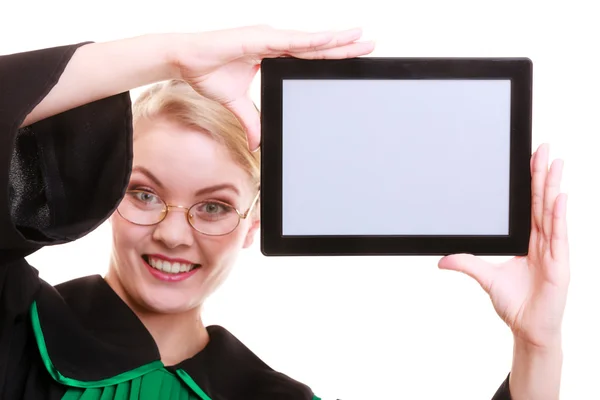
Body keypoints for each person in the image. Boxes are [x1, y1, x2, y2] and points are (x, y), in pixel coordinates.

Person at [0, 25, 569, 400]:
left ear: (253, 221)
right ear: (106, 194)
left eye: (214, 206)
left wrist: (537, 345)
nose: (174, 233)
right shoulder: (21, 331)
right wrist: (170, 56)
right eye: (144, 193)